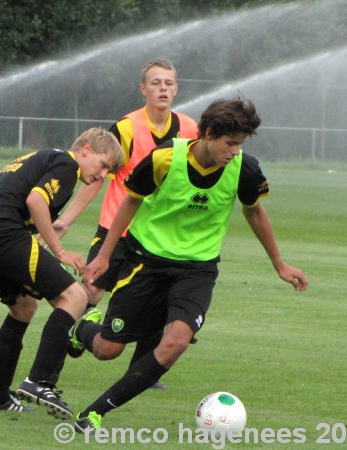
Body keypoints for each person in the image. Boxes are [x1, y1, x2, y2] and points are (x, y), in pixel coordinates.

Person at [69, 96, 308, 433]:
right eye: (230, 143)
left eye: (240, 144)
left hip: (197, 270)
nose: (234, 151)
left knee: (176, 342)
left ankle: (94, 412)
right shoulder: (165, 158)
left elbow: (254, 211)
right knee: (108, 349)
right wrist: (105, 255)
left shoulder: (245, 168)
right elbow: (130, 202)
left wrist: (279, 264)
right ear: (207, 134)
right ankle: (84, 329)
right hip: (145, 262)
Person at [54, 58, 199, 388]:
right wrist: (65, 221)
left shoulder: (190, 128)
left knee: (156, 298)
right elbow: (97, 177)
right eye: (156, 83)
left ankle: (144, 372)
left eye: (169, 83)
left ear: (176, 89)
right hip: (115, 231)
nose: (163, 88)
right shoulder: (127, 127)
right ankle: (54, 359)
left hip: (156, 235)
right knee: (88, 293)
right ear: (143, 89)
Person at [0, 128, 121, 418]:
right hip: (2, 235)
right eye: (103, 165)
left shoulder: (44, 158)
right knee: (73, 296)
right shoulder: (68, 166)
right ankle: (40, 381)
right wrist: (60, 252)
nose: (102, 175)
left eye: (109, 171)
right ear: (86, 148)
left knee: (24, 307)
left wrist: (39, 239)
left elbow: (17, 198)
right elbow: (35, 201)